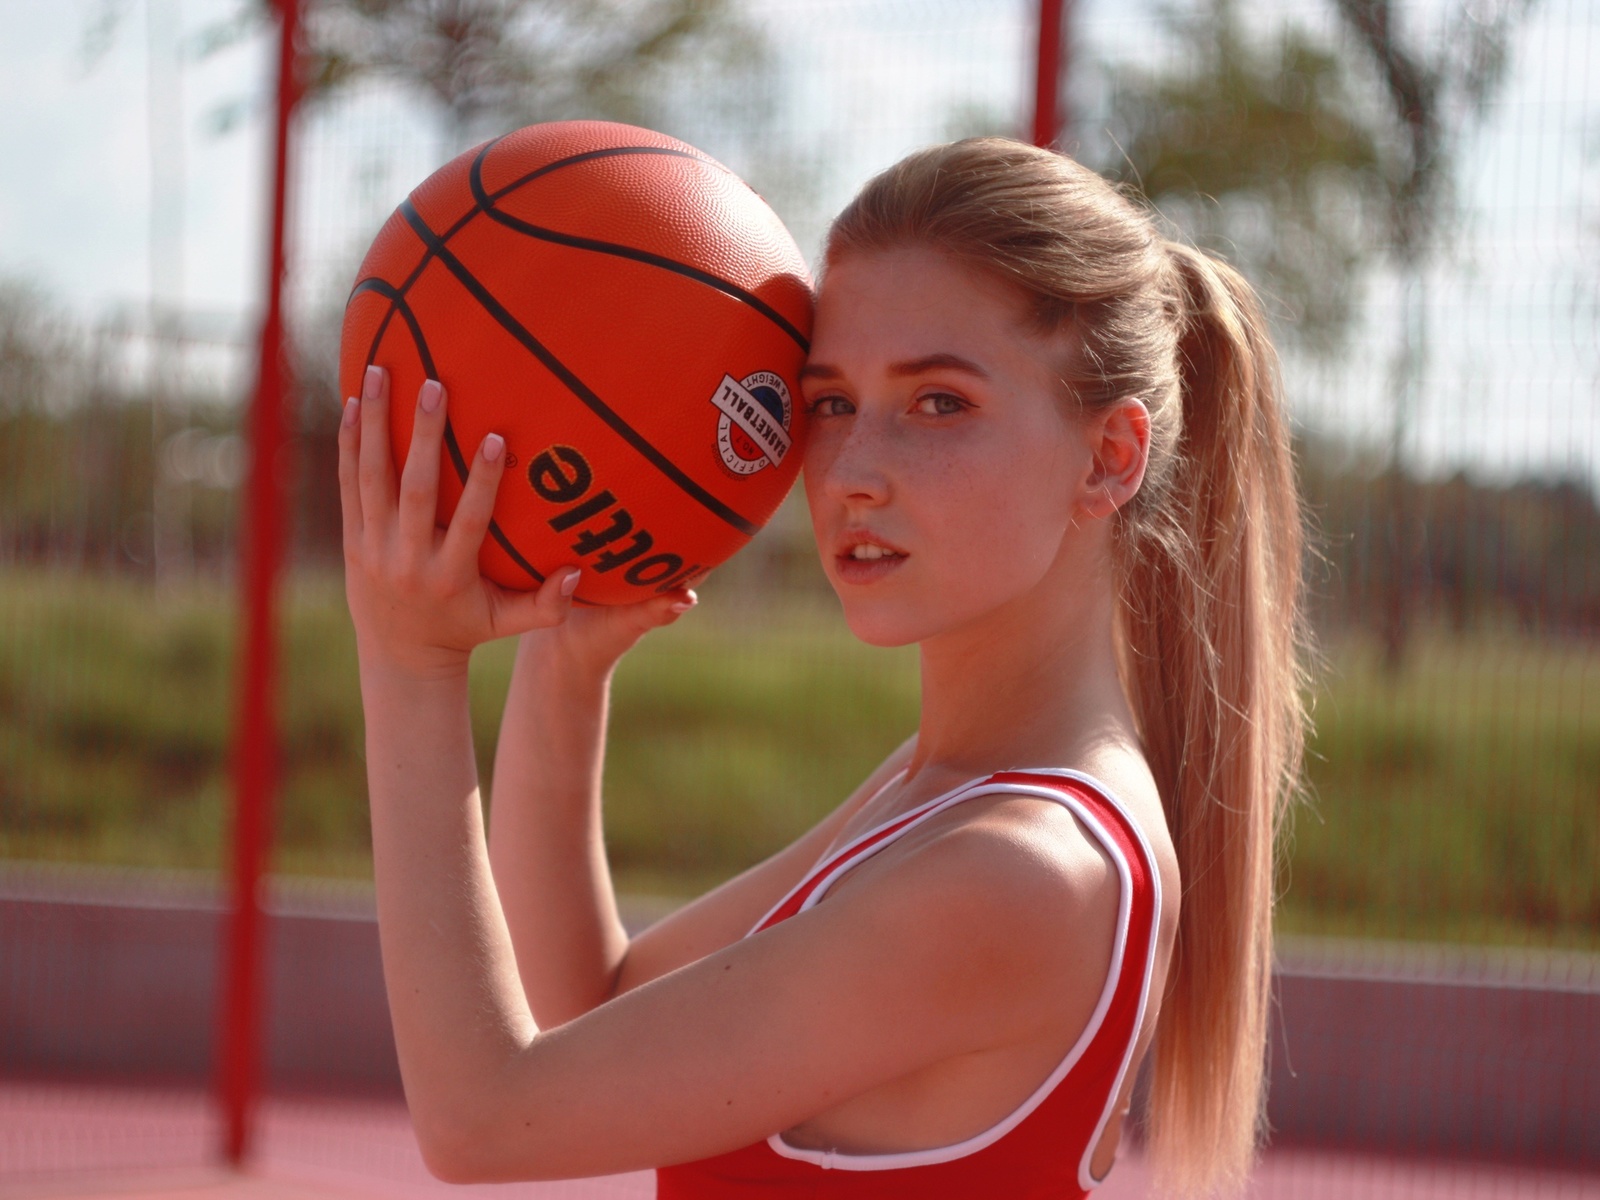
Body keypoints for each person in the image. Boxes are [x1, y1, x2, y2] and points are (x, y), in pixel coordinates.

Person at [338, 137, 1308, 1199]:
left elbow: (484, 1123)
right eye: (830, 402)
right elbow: (589, 1002)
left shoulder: (1021, 870)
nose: (850, 471)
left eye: (939, 403)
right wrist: (565, 671)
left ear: (1109, 456)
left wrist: (409, 666)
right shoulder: (944, 789)